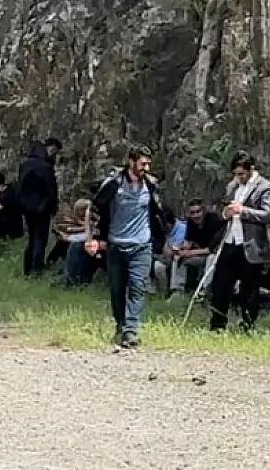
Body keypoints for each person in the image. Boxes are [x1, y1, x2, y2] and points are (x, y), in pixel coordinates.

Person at [89, 148, 170, 348]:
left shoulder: (150, 185)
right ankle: (120, 325)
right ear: (131, 162)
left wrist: (162, 238)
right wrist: (94, 239)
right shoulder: (114, 184)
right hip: (116, 245)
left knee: (137, 287)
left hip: (142, 245)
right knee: (117, 289)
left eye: (148, 164)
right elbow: (95, 210)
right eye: (143, 164)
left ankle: (131, 330)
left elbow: (158, 214)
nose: (146, 168)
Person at [207, 152, 270, 333]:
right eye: (236, 174)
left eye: (241, 174)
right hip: (230, 241)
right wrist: (225, 214)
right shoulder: (232, 186)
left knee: (249, 289)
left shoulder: (264, 187)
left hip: (251, 245)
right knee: (220, 285)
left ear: (251, 170)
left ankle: (247, 326)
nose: (239, 178)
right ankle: (217, 325)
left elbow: (268, 215)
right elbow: (219, 207)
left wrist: (243, 211)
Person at [16, 138, 61, 277]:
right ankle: (37, 269)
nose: (55, 155)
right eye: (55, 152)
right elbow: (51, 189)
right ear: (50, 148)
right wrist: (52, 207)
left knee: (31, 238)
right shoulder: (44, 166)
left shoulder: (27, 163)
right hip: (41, 208)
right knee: (40, 239)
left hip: (26, 207)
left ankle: (27, 269)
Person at [158, 198, 218, 296]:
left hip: (212, 255)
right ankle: (177, 291)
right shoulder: (190, 222)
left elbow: (211, 249)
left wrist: (190, 253)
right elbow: (189, 242)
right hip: (197, 253)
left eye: (198, 212)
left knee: (211, 259)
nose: (195, 215)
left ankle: (204, 293)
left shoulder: (213, 220)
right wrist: (181, 250)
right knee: (178, 258)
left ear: (203, 211)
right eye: (192, 213)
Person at [58, 199, 98, 286]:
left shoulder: (93, 217)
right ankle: (69, 277)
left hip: (91, 244)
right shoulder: (71, 216)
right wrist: (85, 226)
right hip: (75, 239)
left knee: (78, 248)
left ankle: (75, 278)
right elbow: (67, 228)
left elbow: (91, 234)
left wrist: (88, 222)